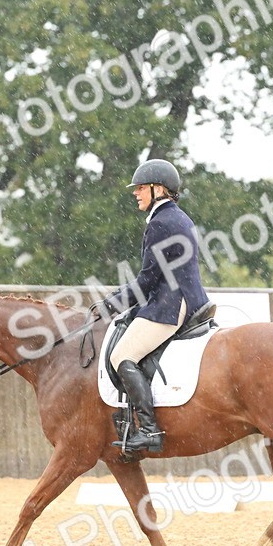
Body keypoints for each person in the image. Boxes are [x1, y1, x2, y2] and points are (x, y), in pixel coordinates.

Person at [94, 158, 210, 455]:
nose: (136, 193)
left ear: (159, 189)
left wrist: (112, 303)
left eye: (141, 188)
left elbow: (147, 280)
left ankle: (148, 430)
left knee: (122, 355)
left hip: (171, 304)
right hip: (186, 296)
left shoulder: (161, 223)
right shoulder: (178, 217)